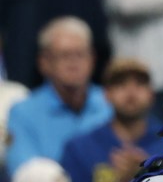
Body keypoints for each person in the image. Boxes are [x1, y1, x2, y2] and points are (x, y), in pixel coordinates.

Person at [61, 58, 163, 182]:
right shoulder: (81, 147)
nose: (131, 92)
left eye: (139, 84)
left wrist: (150, 171)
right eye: (120, 84)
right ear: (106, 94)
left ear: (152, 94)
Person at [6, 17, 111, 172]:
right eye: (65, 55)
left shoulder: (110, 102)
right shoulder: (23, 113)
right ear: (44, 63)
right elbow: (24, 173)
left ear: (93, 59)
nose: (74, 63)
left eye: (80, 54)